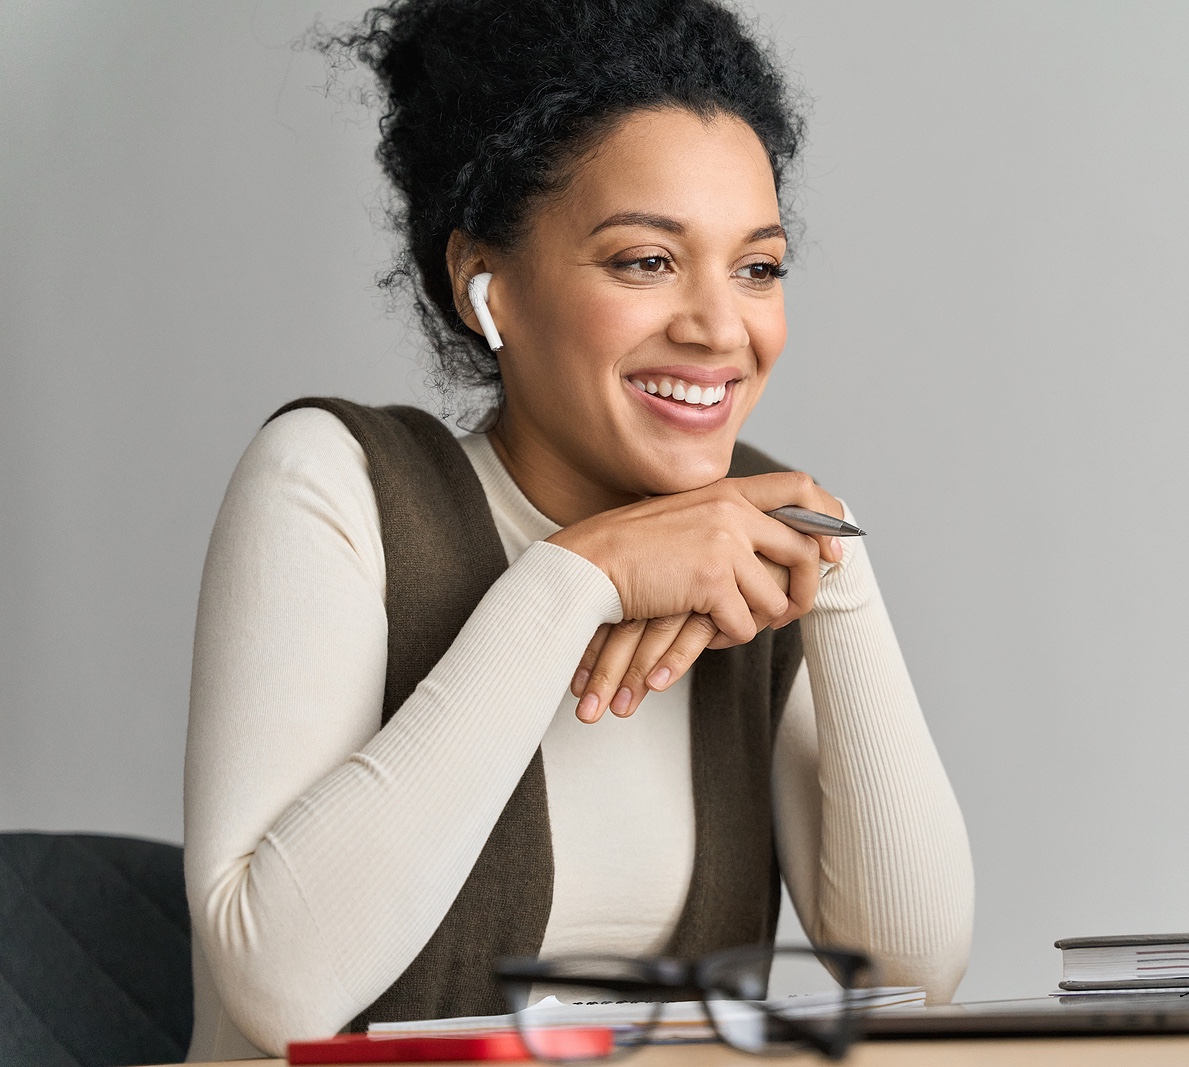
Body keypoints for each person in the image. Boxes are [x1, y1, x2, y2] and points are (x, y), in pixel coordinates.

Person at [182, 0, 973, 1058]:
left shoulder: (755, 539)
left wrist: (837, 569)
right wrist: (573, 578)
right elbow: (278, 989)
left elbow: (913, 975)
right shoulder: (339, 486)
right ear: (485, 286)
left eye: (758, 266)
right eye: (646, 261)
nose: (718, 325)